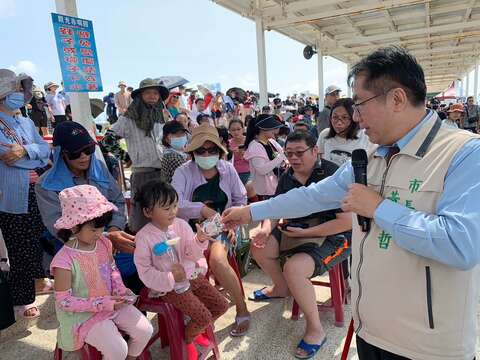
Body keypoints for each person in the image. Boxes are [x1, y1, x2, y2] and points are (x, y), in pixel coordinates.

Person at [223, 46, 480, 360]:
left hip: (426, 346)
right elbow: (312, 197)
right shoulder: (370, 156)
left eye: (360, 104)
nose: (355, 116)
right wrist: (250, 211)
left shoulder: (465, 154)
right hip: (370, 330)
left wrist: (378, 208)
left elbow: (461, 244)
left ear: (397, 99)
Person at [250, 131, 351, 359]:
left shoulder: (333, 175)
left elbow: (345, 222)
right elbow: (275, 208)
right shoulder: (287, 176)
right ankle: (281, 287)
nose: (293, 158)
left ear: (315, 150)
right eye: (288, 153)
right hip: (297, 230)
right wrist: (265, 229)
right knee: (258, 246)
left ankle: (316, 329)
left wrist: (306, 232)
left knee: (294, 269)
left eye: (299, 153)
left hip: (336, 235)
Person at [35, 122, 140, 292]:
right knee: (97, 279)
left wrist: (114, 229)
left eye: (89, 150)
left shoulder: (100, 170)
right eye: (76, 153)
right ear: (62, 154)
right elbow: (58, 227)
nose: (84, 156)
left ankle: (129, 308)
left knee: (139, 262)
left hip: (111, 235)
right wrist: (105, 238)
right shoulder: (46, 185)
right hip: (73, 243)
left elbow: (118, 201)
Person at [51, 185, 153, 360]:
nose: (100, 234)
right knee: (117, 349)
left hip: (110, 302)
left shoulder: (104, 243)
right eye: (93, 229)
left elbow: (112, 270)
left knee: (145, 330)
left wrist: (120, 291)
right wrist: (103, 303)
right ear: (74, 226)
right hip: (82, 315)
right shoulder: (64, 261)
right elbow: (64, 302)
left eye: (101, 228)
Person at [133, 180, 228, 360]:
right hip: (168, 288)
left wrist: (199, 240)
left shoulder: (181, 225)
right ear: (147, 211)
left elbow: (191, 253)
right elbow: (144, 271)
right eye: (166, 208)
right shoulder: (144, 237)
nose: (173, 211)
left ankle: (192, 332)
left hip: (191, 277)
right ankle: (187, 339)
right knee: (204, 316)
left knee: (221, 305)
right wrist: (169, 277)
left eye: (175, 206)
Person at [171, 124, 251, 337]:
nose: (207, 155)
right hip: (188, 230)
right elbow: (175, 203)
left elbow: (240, 198)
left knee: (217, 260)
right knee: (180, 264)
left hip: (223, 226)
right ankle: (198, 310)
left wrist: (233, 221)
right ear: (192, 153)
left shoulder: (227, 169)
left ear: (220, 150)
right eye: (201, 151)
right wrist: (203, 209)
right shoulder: (183, 172)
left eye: (211, 150)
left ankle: (242, 309)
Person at [0, 69, 50, 319]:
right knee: (18, 248)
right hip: (9, 195)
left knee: (36, 240)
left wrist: (25, 151)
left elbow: (45, 151)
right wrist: (31, 155)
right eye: (14, 92)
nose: (20, 95)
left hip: (34, 191)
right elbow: (7, 156)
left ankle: (38, 282)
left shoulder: (27, 122)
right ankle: (22, 300)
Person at [111, 78, 169, 233]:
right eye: (148, 93)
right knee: (141, 219)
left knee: (162, 217)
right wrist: (125, 157)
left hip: (162, 172)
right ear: (140, 96)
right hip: (142, 174)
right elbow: (108, 140)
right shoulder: (128, 118)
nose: (152, 96)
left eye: (155, 93)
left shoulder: (159, 117)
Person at [317, 98, 373, 166]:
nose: (339, 123)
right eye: (335, 117)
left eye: (344, 118)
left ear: (354, 118)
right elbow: (318, 160)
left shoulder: (366, 136)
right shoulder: (325, 134)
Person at [243, 114, 286, 200]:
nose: (276, 130)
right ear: (262, 128)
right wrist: (281, 158)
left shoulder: (271, 142)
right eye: (272, 127)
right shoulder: (255, 146)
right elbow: (262, 170)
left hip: (276, 187)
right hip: (265, 192)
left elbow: (283, 157)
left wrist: (283, 160)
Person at [228, 119, 250, 184]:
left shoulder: (249, 141)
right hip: (233, 174)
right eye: (233, 130)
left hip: (249, 174)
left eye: (238, 129)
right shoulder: (228, 143)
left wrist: (244, 154)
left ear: (243, 129)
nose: (236, 132)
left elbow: (254, 160)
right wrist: (231, 154)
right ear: (229, 131)